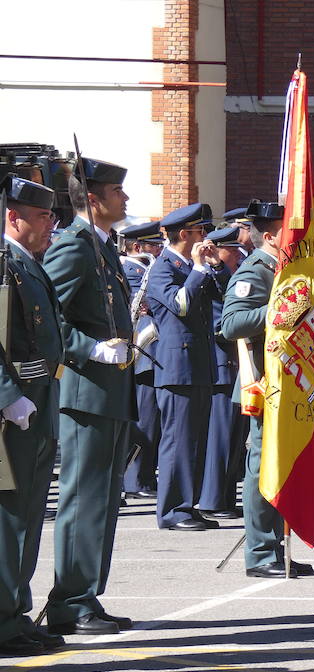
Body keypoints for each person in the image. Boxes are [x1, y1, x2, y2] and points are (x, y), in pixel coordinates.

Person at [43, 157, 135, 635]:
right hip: (85, 393)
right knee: (83, 500)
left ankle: (87, 595)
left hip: (110, 392)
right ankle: (68, 603)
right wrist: (90, 348)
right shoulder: (75, 247)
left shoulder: (102, 246)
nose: (126, 199)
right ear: (94, 199)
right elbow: (45, 315)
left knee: (103, 500)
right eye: (118, 192)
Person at [221, 200, 312, 577]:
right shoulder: (253, 270)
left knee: (284, 468)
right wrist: (280, 312)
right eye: (288, 232)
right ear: (271, 236)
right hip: (265, 383)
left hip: (290, 381)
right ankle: (260, 554)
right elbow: (232, 323)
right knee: (263, 470)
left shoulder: (286, 269)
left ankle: (277, 548)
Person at [0, 176, 66, 655]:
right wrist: (6, 394)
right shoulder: (4, 262)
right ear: (13, 217)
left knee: (28, 516)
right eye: (42, 216)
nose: (50, 225)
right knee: (8, 519)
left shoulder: (27, 263)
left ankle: (15, 612)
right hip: (13, 413)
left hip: (38, 402)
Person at [146, 203, 230, 531]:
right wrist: (197, 268)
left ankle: (188, 504)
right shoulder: (163, 268)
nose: (206, 238)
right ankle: (172, 511)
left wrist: (215, 267)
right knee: (178, 442)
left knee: (195, 440)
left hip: (198, 364)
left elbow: (223, 296)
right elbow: (181, 305)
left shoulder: (192, 266)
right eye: (200, 232)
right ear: (184, 235)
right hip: (176, 367)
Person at [197, 225, 246, 519]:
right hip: (220, 365)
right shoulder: (209, 279)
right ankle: (214, 499)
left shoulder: (222, 277)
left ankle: (224, 497)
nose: (238, 256)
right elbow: (220, 325)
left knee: (233, 437)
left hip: (230, 364)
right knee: (221, 437)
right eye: (233, 250)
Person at [118, 220, 165, 500]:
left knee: (152, 420)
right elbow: (141, 303)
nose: (158, 249)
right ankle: (135, 479)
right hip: (142, 355)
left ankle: (145, 475)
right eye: (153, 245)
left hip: (152, 353)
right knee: (144, 420)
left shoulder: (145, 269)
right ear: (137, 247)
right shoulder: (130, 270)